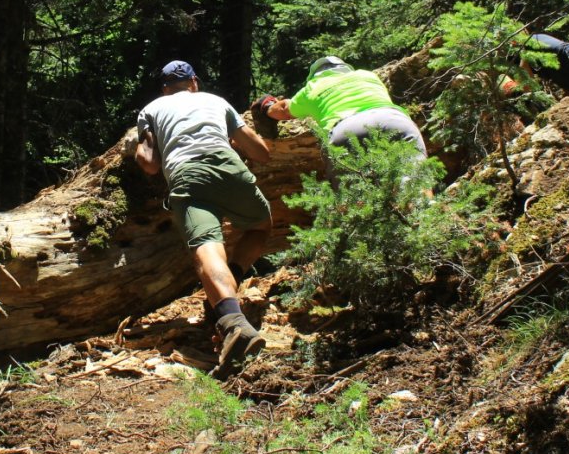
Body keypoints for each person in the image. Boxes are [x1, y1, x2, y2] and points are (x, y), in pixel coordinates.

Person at [134, 60, 272, 375]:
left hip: (186, 175)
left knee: (206, 247)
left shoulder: (152, 109)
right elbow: (261, 152)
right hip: (229, 167)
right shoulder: (216, 102)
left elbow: (149, 162)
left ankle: (233, 323)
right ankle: (229, 284)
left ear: (165, 89)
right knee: (261, 226)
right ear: (193, 82)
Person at [260, 56, 426, 156]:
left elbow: (283, 110)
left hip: (345, 129)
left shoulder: (312, 87)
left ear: (314, 76)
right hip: (394, 120)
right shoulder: (368, 75)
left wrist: (266, 105)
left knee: (354, 201)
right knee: (416, 183)